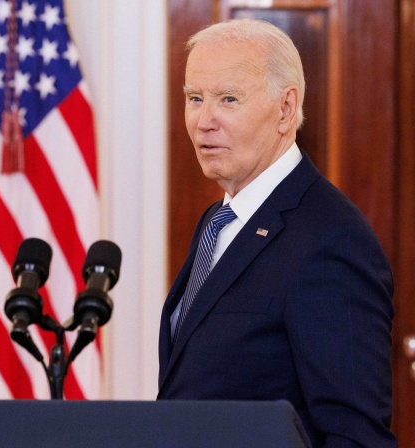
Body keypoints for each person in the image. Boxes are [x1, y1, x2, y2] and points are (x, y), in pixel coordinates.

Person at [157, 19, 396, 447]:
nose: (203, 120)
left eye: (228, 99)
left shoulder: (332, 240)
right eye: (195, 98)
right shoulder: (217, 221)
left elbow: (355, 436)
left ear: (285, 109)